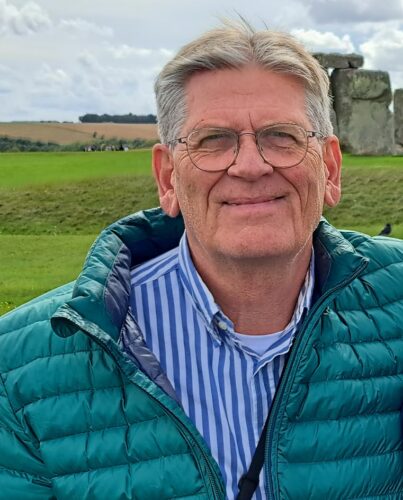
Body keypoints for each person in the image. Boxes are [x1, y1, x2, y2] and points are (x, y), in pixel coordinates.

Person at [0, 21, 402, 500]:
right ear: (167, 177)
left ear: (330, 169)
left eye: (283, 136)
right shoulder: (17, 368)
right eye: (213, 140)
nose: (250, 166)